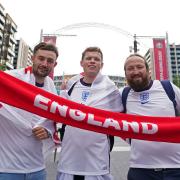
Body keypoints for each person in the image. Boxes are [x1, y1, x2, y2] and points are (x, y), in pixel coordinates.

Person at [56, 47, 123, 180]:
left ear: (101, 65)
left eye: (96, 59)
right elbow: (60, 112)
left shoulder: (110, 88)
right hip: (69, 159)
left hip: (97, 162)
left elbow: (121, 116)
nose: (92, 61)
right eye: (89, 58)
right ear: (82, 63)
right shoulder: (72, 84)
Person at [0, 42, 59, 180]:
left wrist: (47, 131)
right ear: (33, 58)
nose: (44, 63)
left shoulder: (52, 88)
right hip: (7, 169)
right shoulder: (10, 79)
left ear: (54, 65)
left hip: (38, 168)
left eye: (50, 61)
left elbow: (53, 120)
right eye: (41, 58)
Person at [122, 53, 180, 180]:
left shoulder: (168, 88)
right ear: (125, 74)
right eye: (130, 68)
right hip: (140, 170)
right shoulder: (123, 95)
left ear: (148, 71)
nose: (135, 71)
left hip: (175, 168)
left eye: (139, 67)